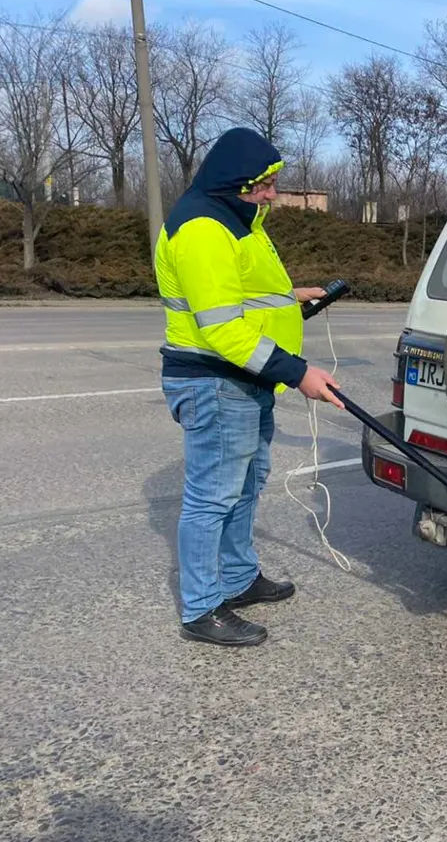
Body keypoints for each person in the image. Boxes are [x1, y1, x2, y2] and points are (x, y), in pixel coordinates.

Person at [154, 127, 343, 647]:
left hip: (246, 381)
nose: (270, 195)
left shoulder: (237, 220)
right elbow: (221, 328)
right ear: (231, 183)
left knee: (246, 482)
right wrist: (299, 373)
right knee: (212, 496)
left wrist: (289, 298)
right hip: (215, 381)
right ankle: (201, 608)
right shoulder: (202, 230)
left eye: (273, 183)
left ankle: (238, 578)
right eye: (260, 186)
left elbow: (244, 296)